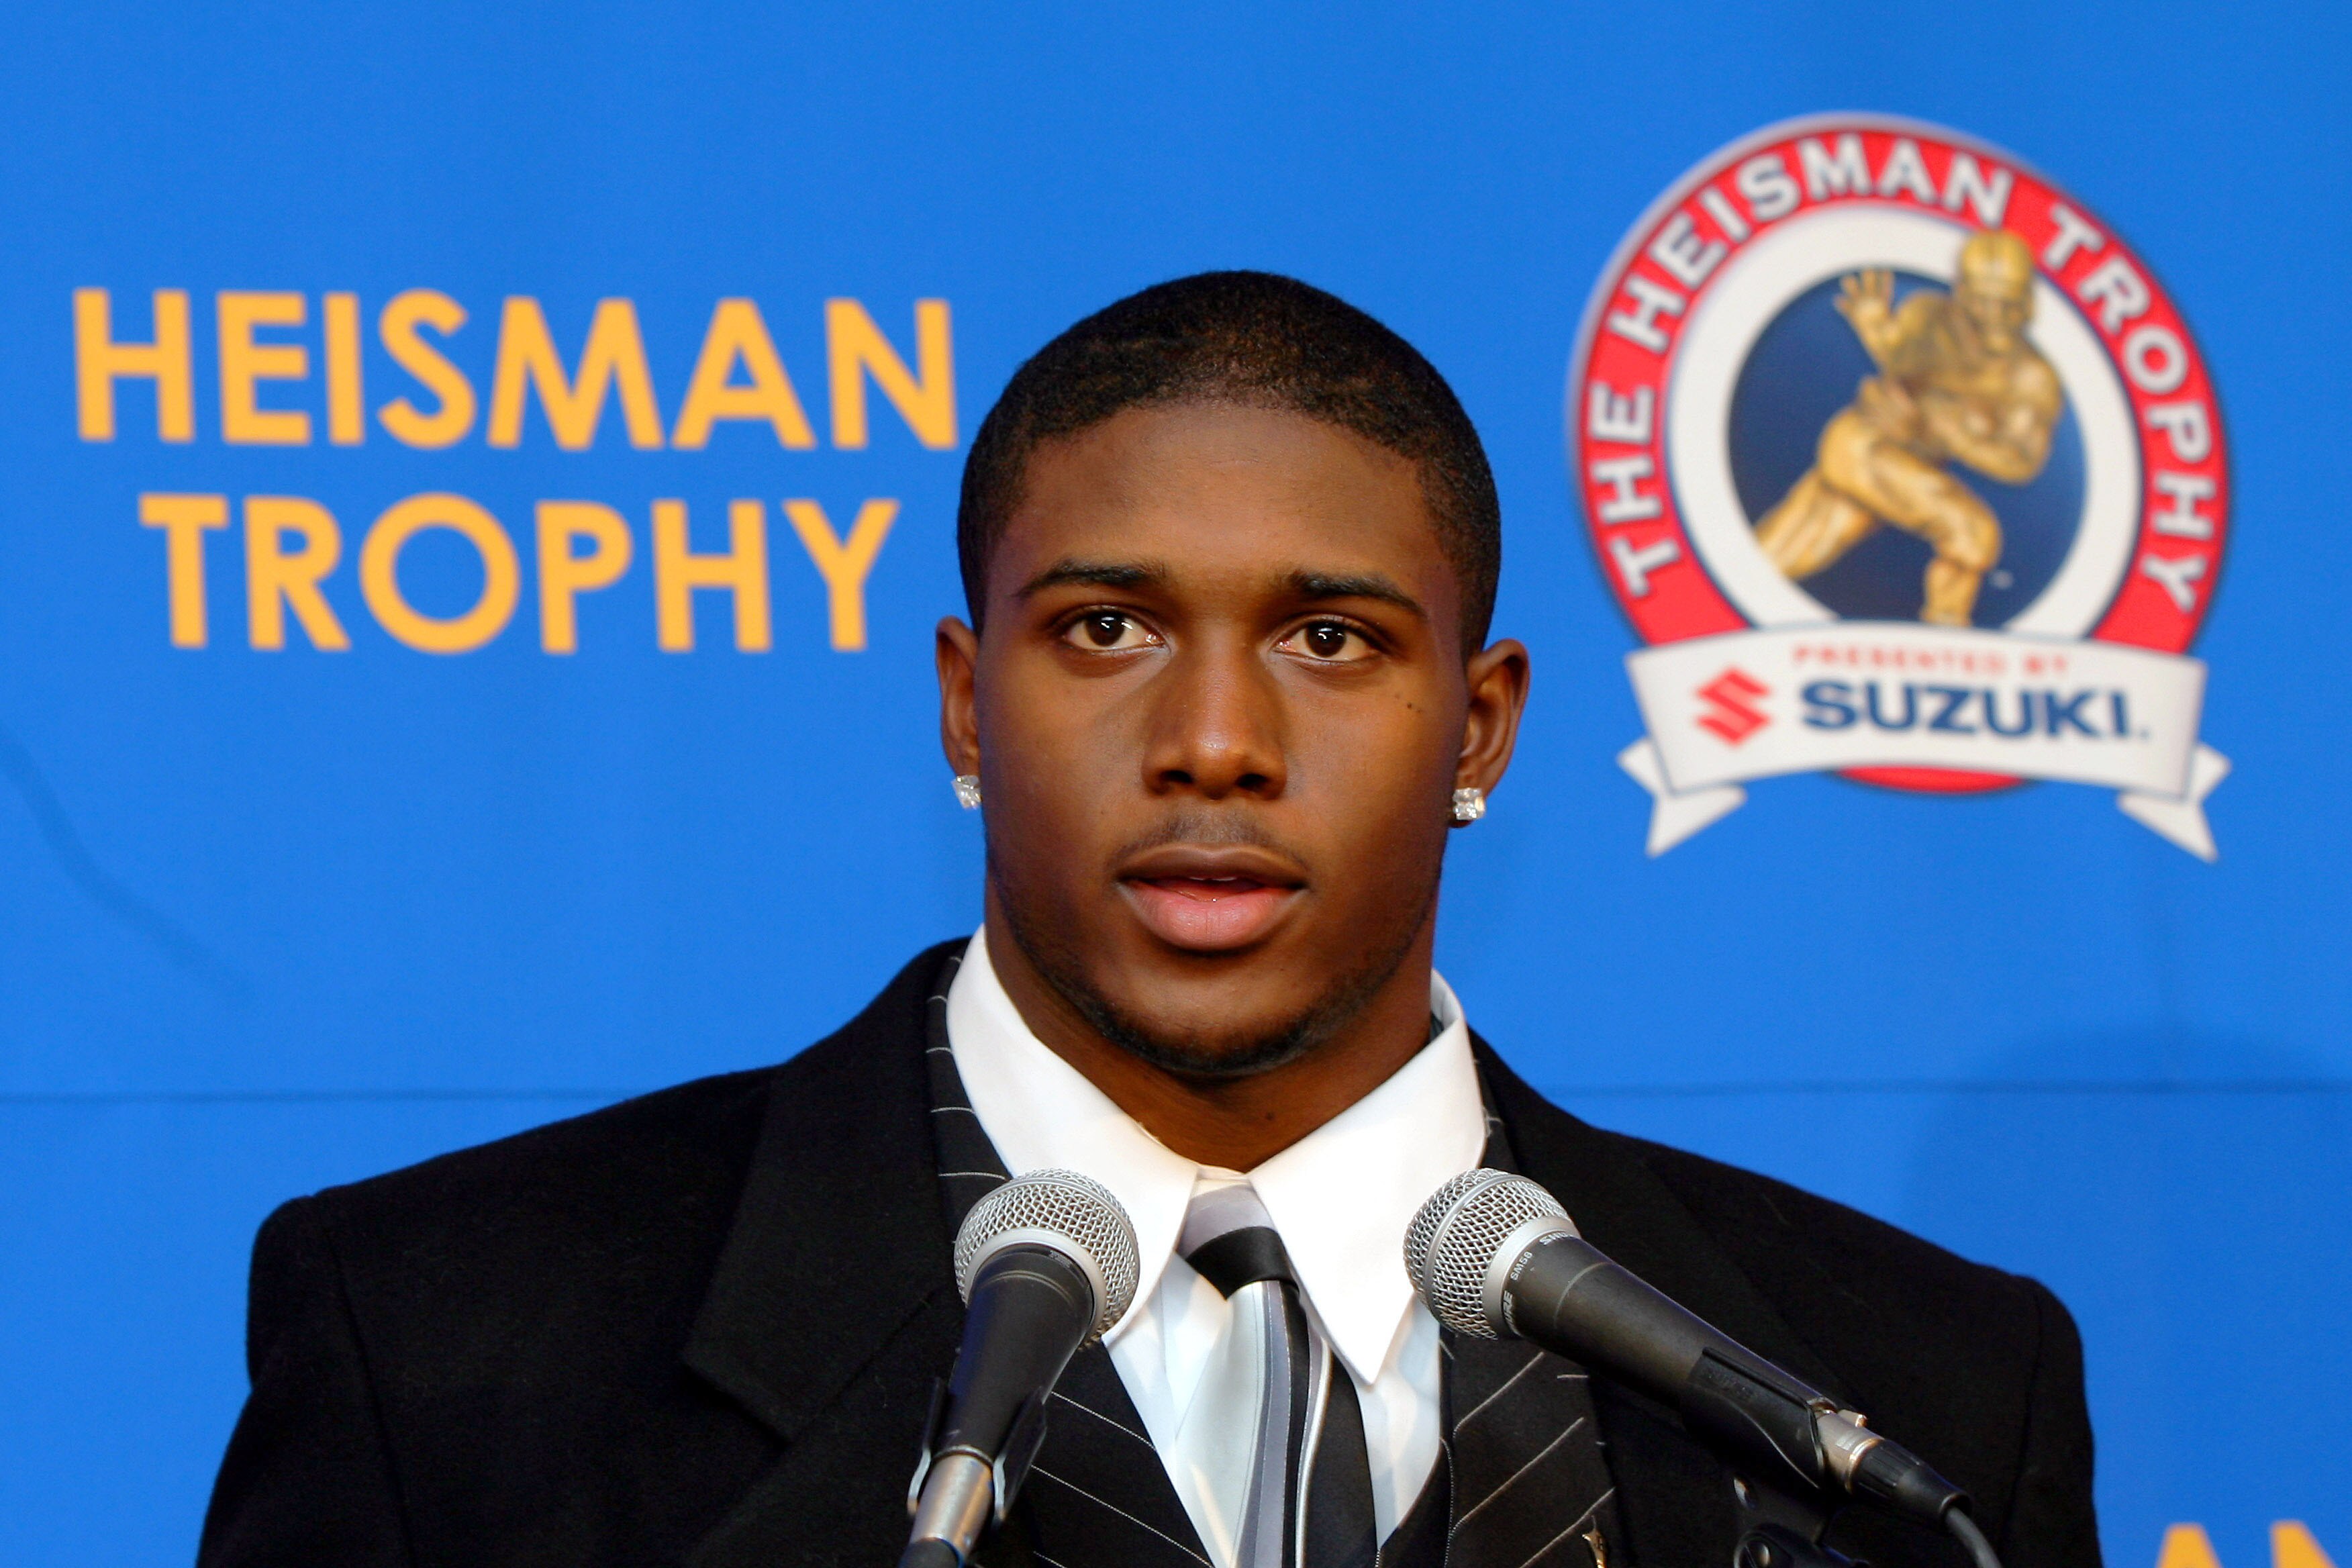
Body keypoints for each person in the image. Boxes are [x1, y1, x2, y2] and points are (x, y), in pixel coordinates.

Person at [197, 272, 2100, 1568]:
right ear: (964, 702)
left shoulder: (1915, 1402)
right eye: (1104, 631)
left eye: (1330, 640)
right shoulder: (447, 1349)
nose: (1212, 743)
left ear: (1483, 725)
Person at [1754, 230, 2063, 626]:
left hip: (1904, 460)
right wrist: (1874, 326)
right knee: (1972, 533)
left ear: (2029, 305)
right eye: (1984, 302)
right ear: (1963, 296)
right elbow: (1898, 356)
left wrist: (1950, 429)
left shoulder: (2032, 378)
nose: (1995, 317)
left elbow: (2020, 463)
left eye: (2008, 305)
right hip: (1862, 443)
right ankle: (1947, 629)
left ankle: (1718, 601)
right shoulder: (1930, 318)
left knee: (1790, 546)